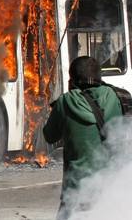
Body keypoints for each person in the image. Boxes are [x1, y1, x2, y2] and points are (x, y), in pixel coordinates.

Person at [43, 56, 123, 220]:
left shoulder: (65, 102)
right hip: (109, 186)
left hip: (75, 189)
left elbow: (49, 136)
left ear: (72, 79)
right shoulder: (113, 96)